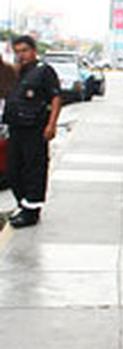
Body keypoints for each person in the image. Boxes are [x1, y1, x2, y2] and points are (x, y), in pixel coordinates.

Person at [3, 35, 61, 228]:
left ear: (34, 50)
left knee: (34, 169)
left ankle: (32, 211)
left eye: (25, 50)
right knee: (13, 170)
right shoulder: (16, 73)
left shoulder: (44, 71)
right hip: (16, 128)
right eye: (17, 51)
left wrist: (51, 125)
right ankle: (23, 204)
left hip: (35, 129)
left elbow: (55, 98)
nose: (21, 55)